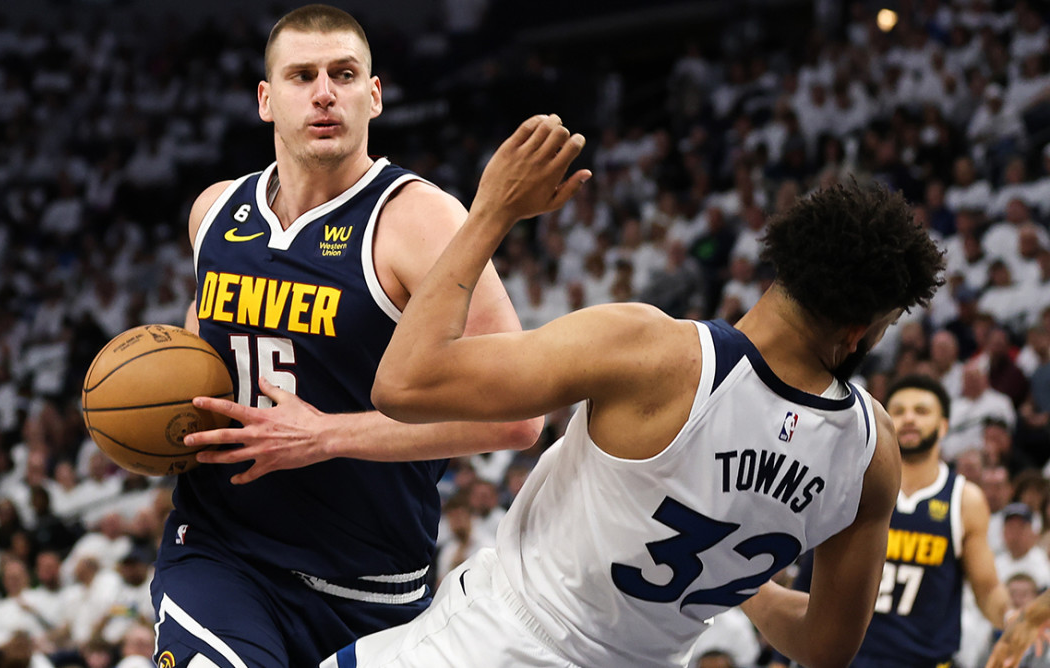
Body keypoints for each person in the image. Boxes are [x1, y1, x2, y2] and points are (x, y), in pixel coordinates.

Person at [324, 117, 945, 667]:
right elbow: (825, 648)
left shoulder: (657, 354)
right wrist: (738, 578)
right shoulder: (872, 453)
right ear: (860, 331)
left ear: (784, 262)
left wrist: (492, 210)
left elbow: (403, 383)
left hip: (494, 643)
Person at [151, 5, 540, 667]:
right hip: (222, 557)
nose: (325, 92)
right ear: (267, 100)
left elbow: (519, 419)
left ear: (375, 95)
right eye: (302, 76)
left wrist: (325, 435)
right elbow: (200, 360)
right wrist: (157, 420)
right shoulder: (214, 212)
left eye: (344, 73)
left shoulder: (421, 220)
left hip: (374, 587)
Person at [770, 374, 1012, 668]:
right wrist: (780, 658)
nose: (909, 418)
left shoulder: (964, 499)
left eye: (921, 411)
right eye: (898, 411)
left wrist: (1011, 616)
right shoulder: (855, 485)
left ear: (944, 425)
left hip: (922, 660)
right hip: (848, 659)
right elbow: (811, 578)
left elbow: (986, 588)